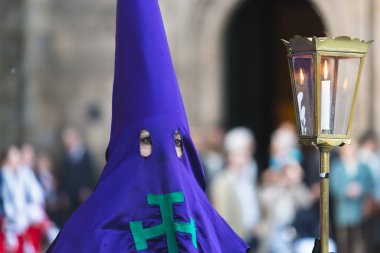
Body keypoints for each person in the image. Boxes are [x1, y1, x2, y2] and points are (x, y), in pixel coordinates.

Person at [46, 0, 249, 251]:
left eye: (176, 141)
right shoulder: (92, 228)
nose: (164, 151)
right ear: (126, 147)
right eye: (146, 140)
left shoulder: (203, 218)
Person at [211, 127, 260, 248]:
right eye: (240, 154)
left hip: (252, 237)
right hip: (236, 240)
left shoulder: (248, 177)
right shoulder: (222, 181)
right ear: (230, 156)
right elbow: (222, 214)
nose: (246, 158)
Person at [331, 143, 374, 253]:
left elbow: (370, 183)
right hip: (342, 210)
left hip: (360, 210)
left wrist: (361, 189)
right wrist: (346, 191)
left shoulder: (363, 167)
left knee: (359, 241)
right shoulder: (336, 166)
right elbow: (332, 185)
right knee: (343, 241)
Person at [59, 127, 96, 224]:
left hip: (83, 193)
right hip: (71, 195)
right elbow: (64, 177)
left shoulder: (85, 155)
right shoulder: (66, 156)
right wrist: (64, 193)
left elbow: (90, 174)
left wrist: (87, 189)